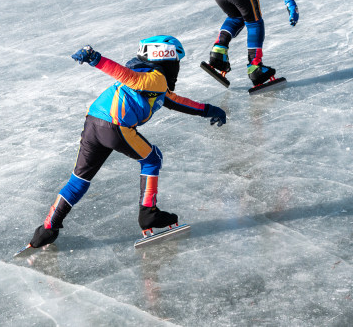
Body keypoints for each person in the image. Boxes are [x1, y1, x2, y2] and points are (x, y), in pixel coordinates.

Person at [28, 35, 227, 248]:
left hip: (93, 122)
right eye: (177, 62)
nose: (178, 68)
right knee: (152, 159)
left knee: (79, 179)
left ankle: (47, 229)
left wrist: (209, 110)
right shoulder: (155, 79)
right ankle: (149, 215)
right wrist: (96, 59)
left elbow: (176, 101)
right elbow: (129, 77)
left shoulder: (155, 85)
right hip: (115, 125)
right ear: (167, 59)